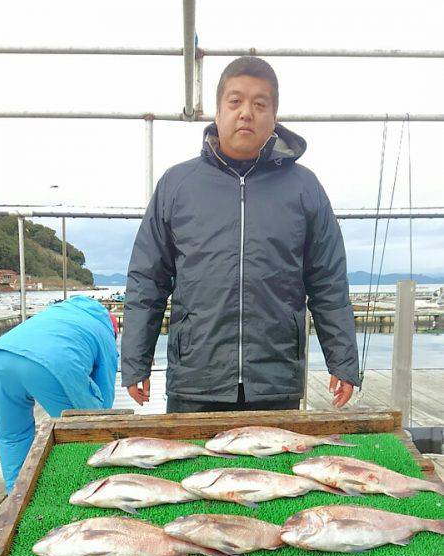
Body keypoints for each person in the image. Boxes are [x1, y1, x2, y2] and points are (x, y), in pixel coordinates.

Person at [122, 57, 359, 413]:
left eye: (259, 103)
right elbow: (148, 280)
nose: (246, 112)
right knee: (193, 469)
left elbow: (328, 281)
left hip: (275, 380)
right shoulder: (177, 185)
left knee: (275, 470)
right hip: (195, 379)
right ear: (218, 112)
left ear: (274, 116)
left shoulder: (304, 187)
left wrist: (342, 360)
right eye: (235, 101)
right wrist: (136, 360)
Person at [0, 296, 118, 493]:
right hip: (52, 363)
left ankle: (15, 495)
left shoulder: (56, 313)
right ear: (114, 330)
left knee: (12, 435)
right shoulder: (105, 332)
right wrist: (101, 423)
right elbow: (105, 389)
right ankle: (82, 489)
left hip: (0, 357)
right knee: (81, 431)